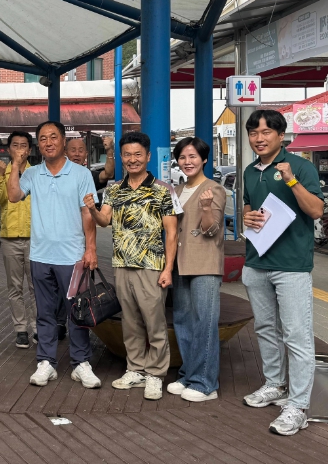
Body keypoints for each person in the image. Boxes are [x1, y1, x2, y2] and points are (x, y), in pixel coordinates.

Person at [241, 109, 323, 436]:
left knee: (296, 335)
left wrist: (290, 180)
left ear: (280, 135)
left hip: (291, 266)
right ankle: (275, 385)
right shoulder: (249, 171)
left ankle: (298, 406)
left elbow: (316, 210)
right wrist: (247, 216)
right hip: (256, 262)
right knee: (265, 329)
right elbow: (249, 206)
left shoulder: (300, 167)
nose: (259, 138)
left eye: (266, 132)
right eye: (253, 133)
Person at [7, 121, 101, 389]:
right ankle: (46, 362)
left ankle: (81, 362)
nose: (48, 143)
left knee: (77, 312)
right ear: (39, 145)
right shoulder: (32, 173)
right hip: (40, 255)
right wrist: (15, 164)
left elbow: (87, 213)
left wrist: (91, 248)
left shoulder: (81, 174)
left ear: (63, 141)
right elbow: (13, 196)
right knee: (45, 312)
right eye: (43, 139)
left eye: (53, 137)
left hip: (73, 256)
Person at [87, 131, 179, 400]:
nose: (132, 159)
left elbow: (172, 233)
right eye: (127, 154)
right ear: (121, 157)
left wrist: (168, 269)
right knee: (130, 321)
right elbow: (104, 221)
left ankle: (155, 374)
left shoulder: (163, 190)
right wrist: (92, 209)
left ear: (148, 156)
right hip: (122, 264)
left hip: (151, 266)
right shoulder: (114, 189)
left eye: (138, 154)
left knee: (155, 322)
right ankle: (135, 369)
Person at [167, 137, 226, 402]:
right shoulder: (177, 190)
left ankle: (205, 383)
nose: (187, 162)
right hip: (180, 262)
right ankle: (189, 374)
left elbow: (211, 230)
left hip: (204, 263)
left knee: (205, 322)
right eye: (182, 157)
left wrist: (205, 207)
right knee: (183, 320)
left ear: (204, 159)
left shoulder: (214, 189)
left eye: (193, 156)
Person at [58, 135, 116, 341]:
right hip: (59, 241)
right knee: (59, 285)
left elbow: (108, 172)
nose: (76, 154)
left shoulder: (88, 175)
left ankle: (82, 321)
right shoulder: (57, 174)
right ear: (65, 152)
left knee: (81, 285)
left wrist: (109, 150)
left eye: (80, 150)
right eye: (72, 150)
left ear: (86, 154)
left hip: (82, 241)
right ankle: (59, 323)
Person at [0, 131, 37, 349]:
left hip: (36, 238)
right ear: (9, 150)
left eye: (23, 145)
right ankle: (21, 329)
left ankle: (38, 328)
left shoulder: (37, 173)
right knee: (15, 287)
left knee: (36, 287)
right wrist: (0, 175)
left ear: (30, 150)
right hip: (9, 237)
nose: (19, 149)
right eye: (15, 145)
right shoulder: (3, 171)